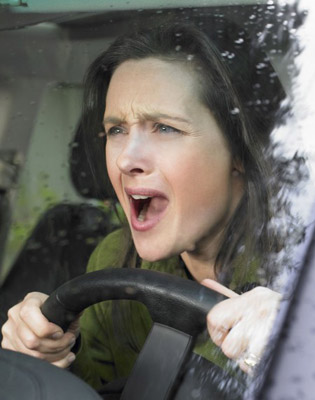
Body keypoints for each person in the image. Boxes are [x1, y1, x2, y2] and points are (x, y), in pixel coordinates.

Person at [0, 23, 283, 390]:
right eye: (116, 129)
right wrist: (49, 359)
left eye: (165, 128)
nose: (124, 160)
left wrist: (298, 345)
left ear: (241, 151)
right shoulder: (115, 260)